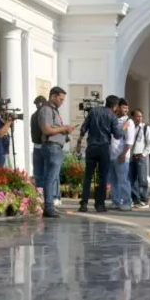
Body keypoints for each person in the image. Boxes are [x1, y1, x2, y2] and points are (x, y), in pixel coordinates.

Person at [76, 94, 123, 213]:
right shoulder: (112, 116)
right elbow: (117, 135)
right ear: (114, 106)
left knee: (88, 176)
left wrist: (79, 141)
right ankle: (100, 204)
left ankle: (84, 204)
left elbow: (84, 127)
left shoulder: (93, 111)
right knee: (103, 177)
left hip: (91, 147)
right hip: (104, 148)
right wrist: (123, 129)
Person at [39, 86, 73, 218]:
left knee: (52, 178)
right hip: (51, 147)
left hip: (56, 147)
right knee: (50, 178)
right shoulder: (46, 109)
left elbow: (54, 129)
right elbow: (47, 130)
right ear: (53, 96)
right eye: (60, 99)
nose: (62, 102)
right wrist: (63, 129)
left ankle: (50, 206)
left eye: (63, 100)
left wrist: (64, 132)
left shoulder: (54, 111)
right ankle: (49, 207)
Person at [109, 97, 135, 211]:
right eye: (124, 107)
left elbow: (129, 141)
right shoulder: (113, 119)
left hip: (122, 156)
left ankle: (127, 202)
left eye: (127, 108)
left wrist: (124, 154)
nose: (126, 110)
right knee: (114, 181)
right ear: (118, 107)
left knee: (123, 180)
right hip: (112, 155)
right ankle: (115, 201)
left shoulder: (129, 122)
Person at [129, 109, 150, 209]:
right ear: (133, 117)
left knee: (142, 179)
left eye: (141, 116)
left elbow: (149, 144)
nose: (139, 118)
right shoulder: (130, 127)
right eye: (137, 116)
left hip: (141, 156)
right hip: (131, 157)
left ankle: (144, 200)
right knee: (132, 180)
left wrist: (143, 154)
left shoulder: (145, 127)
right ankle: (135, 200)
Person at [30, 96, 47, 191]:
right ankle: (47, 195)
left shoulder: (33, 115)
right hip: (44, 146)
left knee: (38, 174)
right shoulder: (45, 115)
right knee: (45, 174)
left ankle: (40, 194)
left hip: (36, 146)